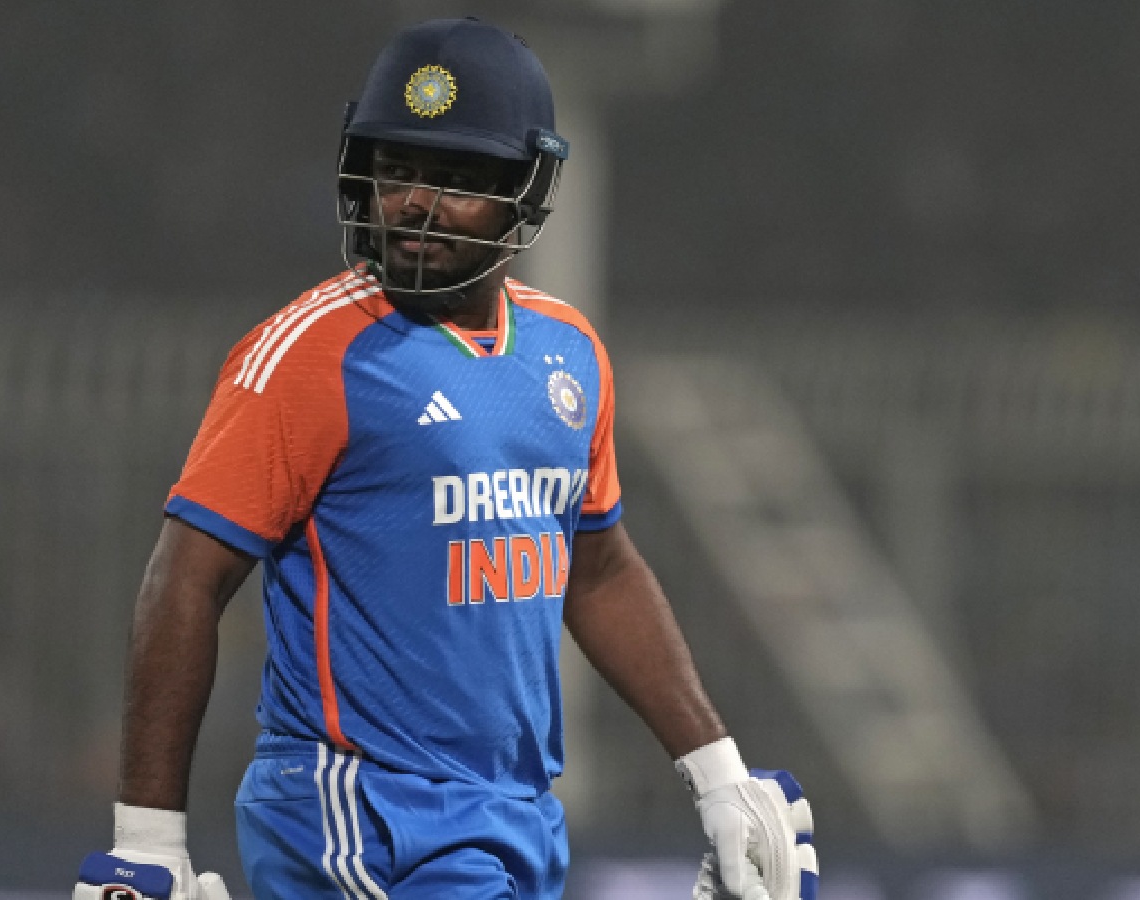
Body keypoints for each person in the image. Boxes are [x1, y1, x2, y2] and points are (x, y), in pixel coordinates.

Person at [74, 17, 816, 900]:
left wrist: (719, 773)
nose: (417, 202)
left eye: (459, 179)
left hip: (514, 813)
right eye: (398, 169)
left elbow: (599, 568)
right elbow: (185, 580)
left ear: (522, 192)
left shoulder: (569, 350)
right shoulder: (307, 354)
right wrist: (147, 840)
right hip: (360, 805)